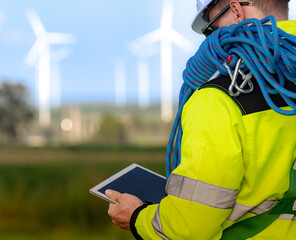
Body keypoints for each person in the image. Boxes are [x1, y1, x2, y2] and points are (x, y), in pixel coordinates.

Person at [106, 0, 296, 239]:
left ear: (237, 11)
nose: (210, 39)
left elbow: (190, 227)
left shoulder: (219, 99)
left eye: (212, 28)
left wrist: (137, 217)